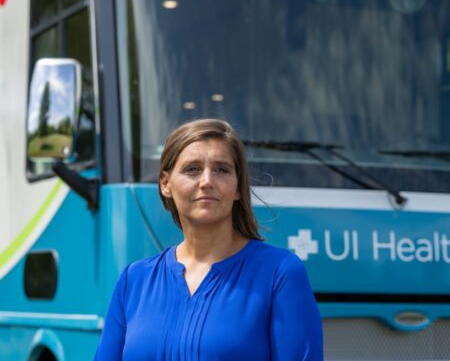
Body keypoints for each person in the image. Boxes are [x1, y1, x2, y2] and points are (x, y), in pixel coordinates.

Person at [95, 119, 323, 360]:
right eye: (192, 169)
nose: (207, 181)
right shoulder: (133, 280)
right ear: (165, 184)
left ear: (237, 188)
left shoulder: (280, 273)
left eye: (221, 170)